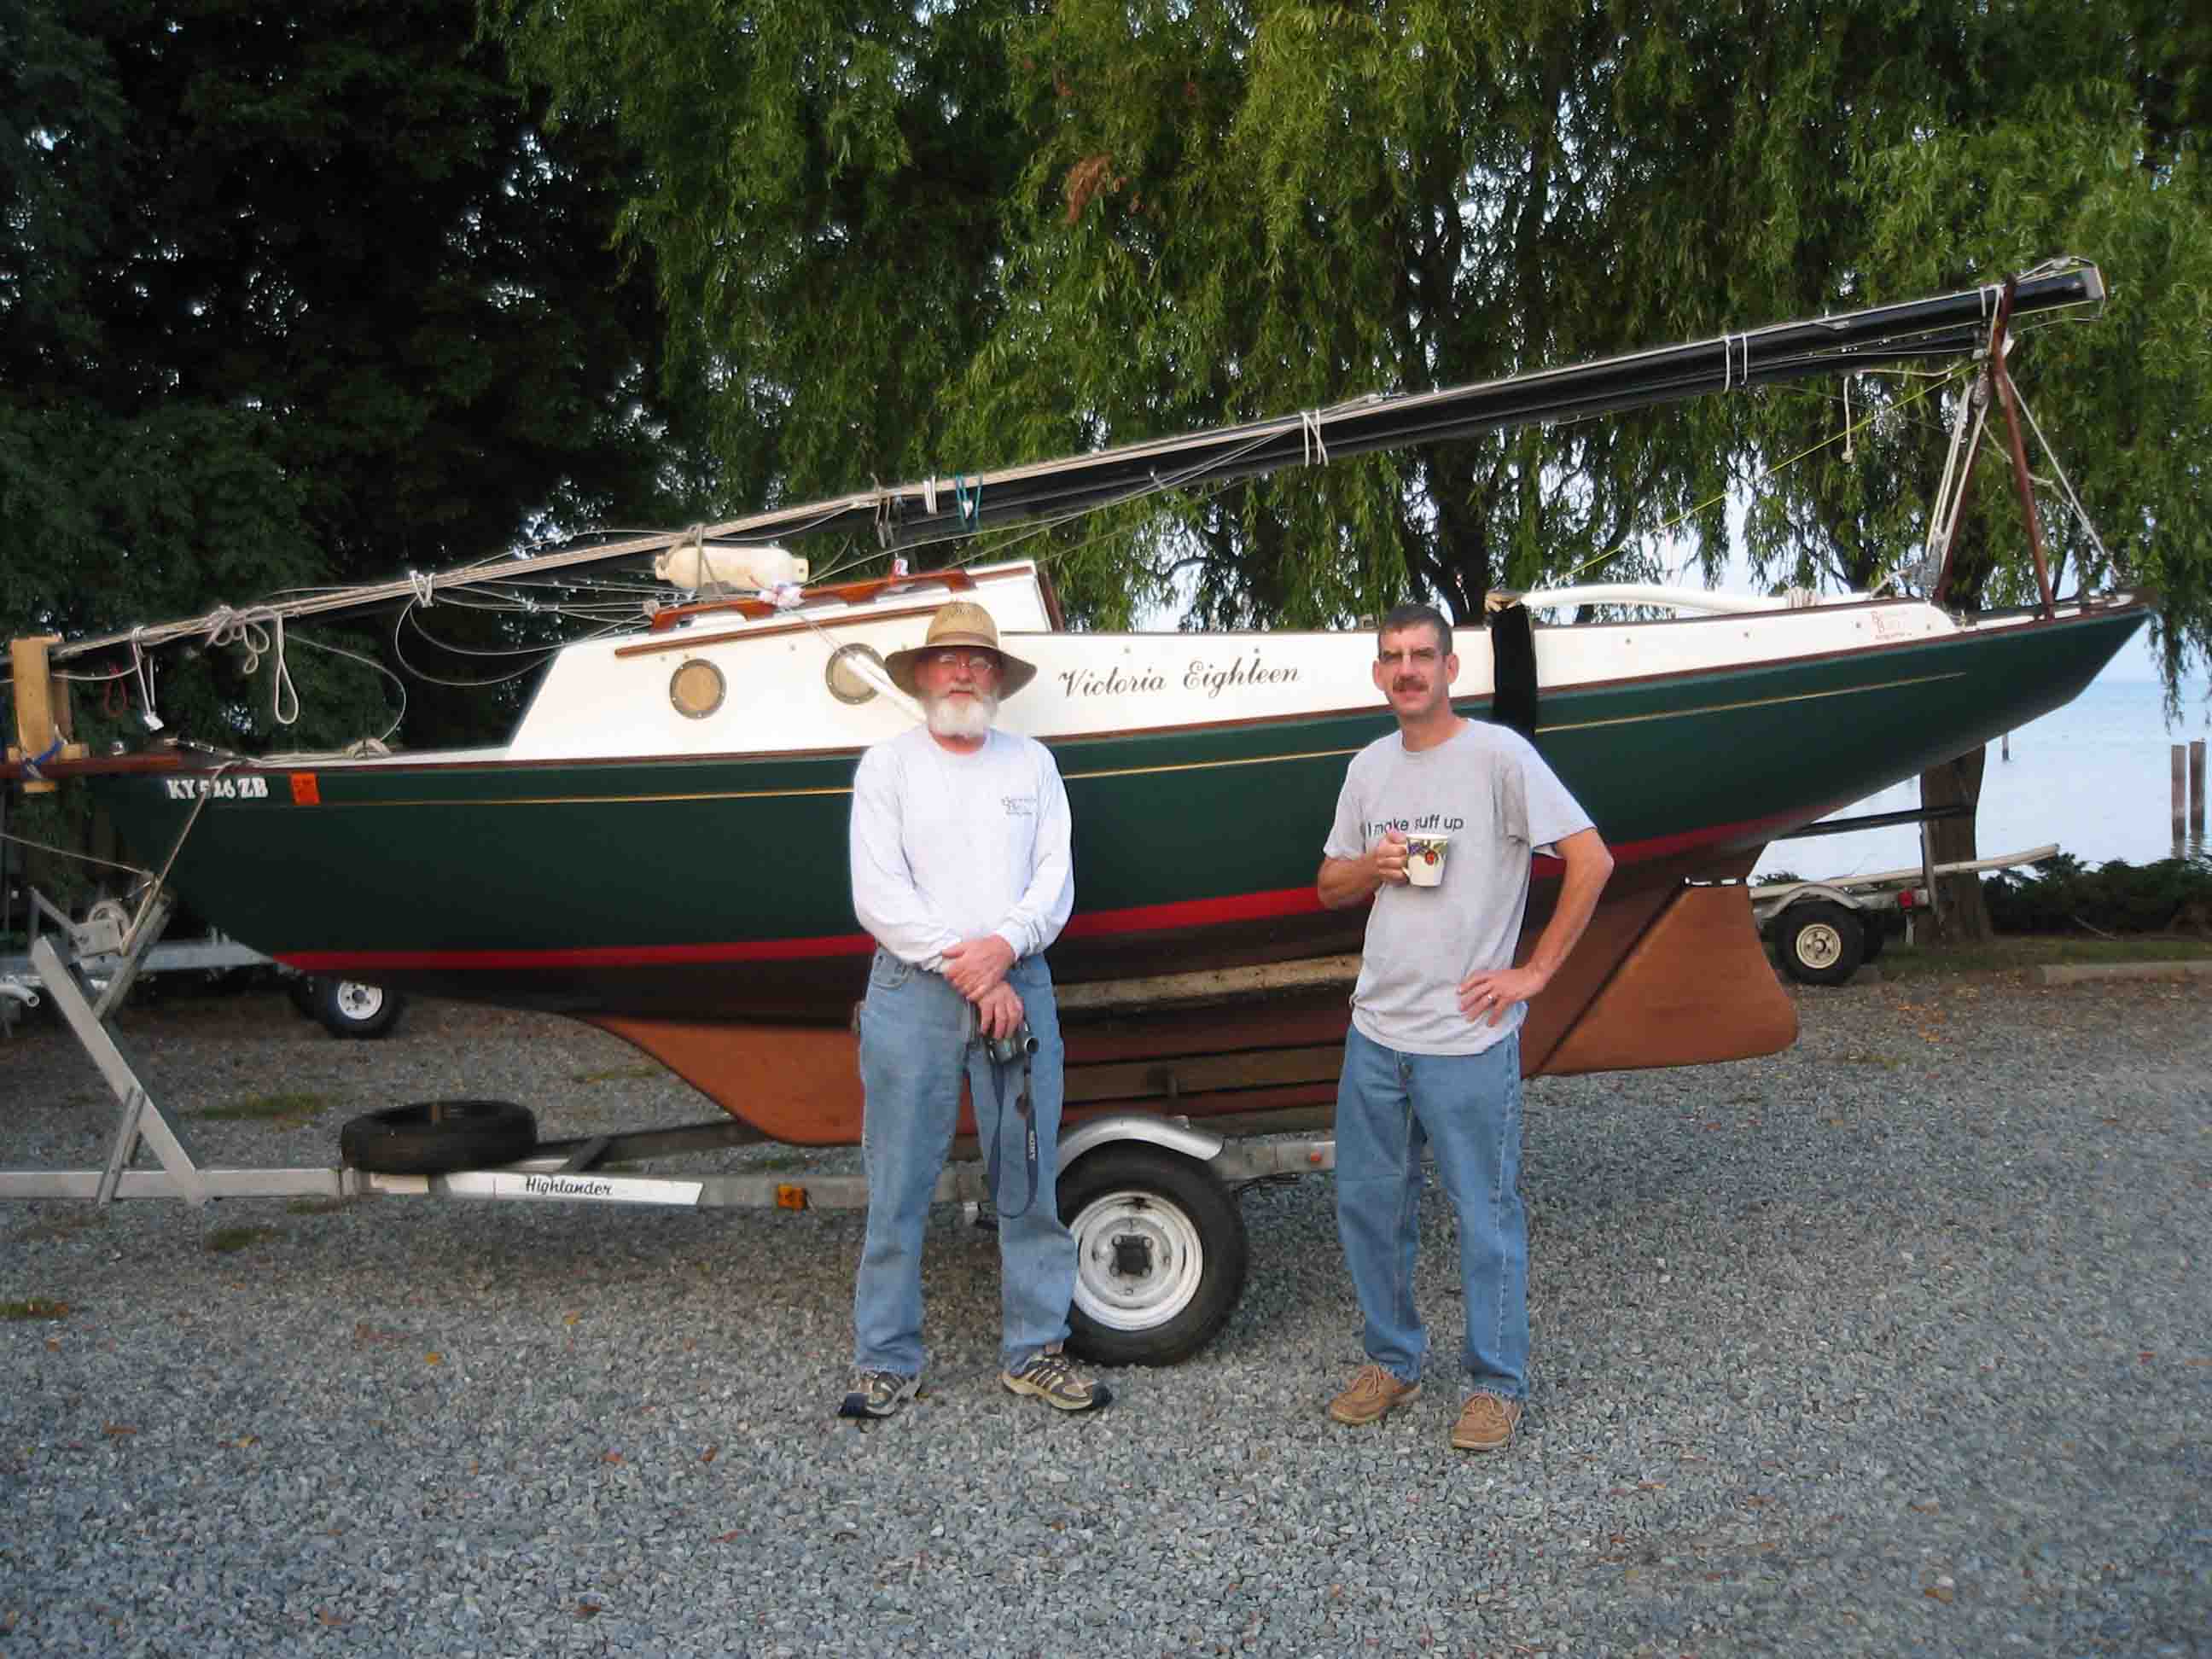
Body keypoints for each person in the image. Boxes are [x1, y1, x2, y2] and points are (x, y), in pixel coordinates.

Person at [1317, 601, 1614, 1452]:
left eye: (1422, 655)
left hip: (1466, 1038)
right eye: (1392, 657)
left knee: (1485, 1215)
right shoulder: (1369, 768)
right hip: (1377, 1033)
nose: (1407, 669)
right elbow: (1328, 884)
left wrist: (1534, 974)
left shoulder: (1499, 757)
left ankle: (1496, 1384)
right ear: (1379, 674)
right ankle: (1393, 1362)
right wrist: (1368, 868)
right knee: (1371, 1209)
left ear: (1451, 668)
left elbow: (1592, 860)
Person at [840, 599, 1109, 1419]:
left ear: (996, 677)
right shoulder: (886, 766)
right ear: (923, 675)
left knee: (1027, 1179)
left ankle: (1036, 1350)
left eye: (979, 660)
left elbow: (1054, 880)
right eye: (949, 658)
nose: (963, 672)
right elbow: (879, 894)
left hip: (1019, 980)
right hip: (915, 993)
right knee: (898, 1184)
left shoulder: (1033, 765)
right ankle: (886, 1359)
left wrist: (1004, 950)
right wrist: (978, 972)